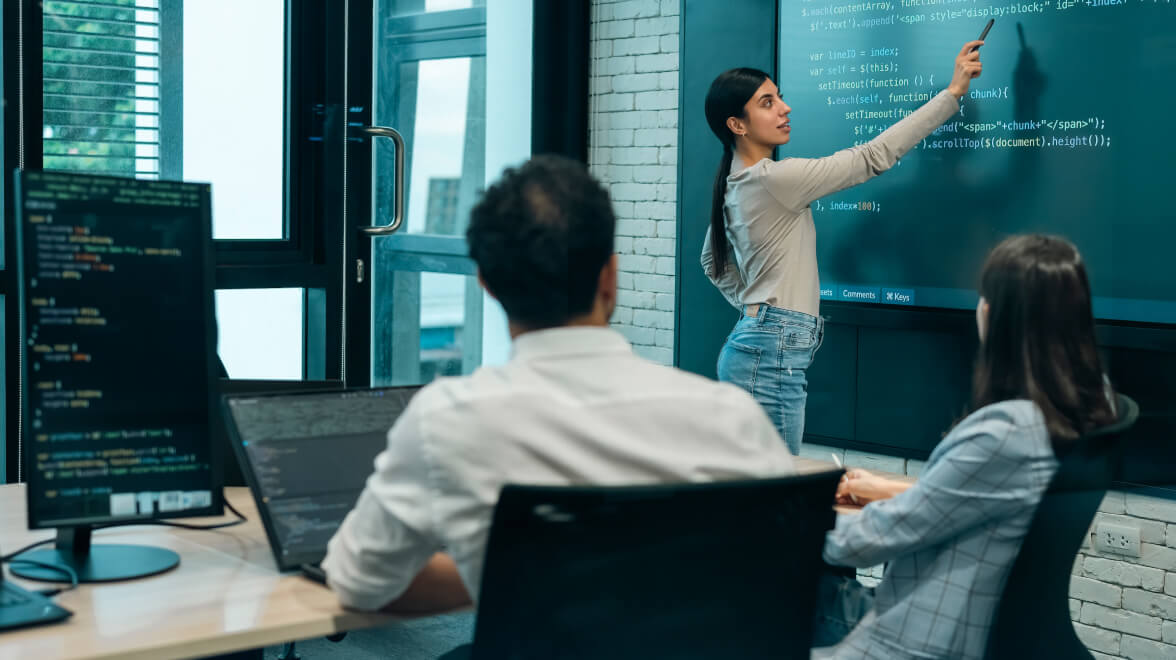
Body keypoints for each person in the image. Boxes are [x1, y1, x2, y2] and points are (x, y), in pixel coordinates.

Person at [320, 155, 795, 614]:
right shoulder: (728, 416)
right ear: (610, 277)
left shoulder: (447, 420)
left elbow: (358, 580)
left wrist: (522, 570)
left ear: (487, 284)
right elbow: (786, 566)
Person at [813, 234, 1118, 659]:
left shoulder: (1005, 433)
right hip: (958, 621)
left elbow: (869, 541)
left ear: (993, 313)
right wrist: (886, 491)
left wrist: (789, 519)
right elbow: (972, 499)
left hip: (915, 637)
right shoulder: (1089, 402)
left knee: (762, 580)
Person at [701, 41, 985, 454]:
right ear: (737, 125)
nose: (785, 108)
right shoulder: (773, 179)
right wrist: (953, 93)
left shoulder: (735, 182)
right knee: (779, 488)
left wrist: (756, 309)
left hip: (757, 347)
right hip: (769, 352)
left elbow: (712, 261)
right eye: (767, 102)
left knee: (759, 486)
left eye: (780, 96)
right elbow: (872, 157)